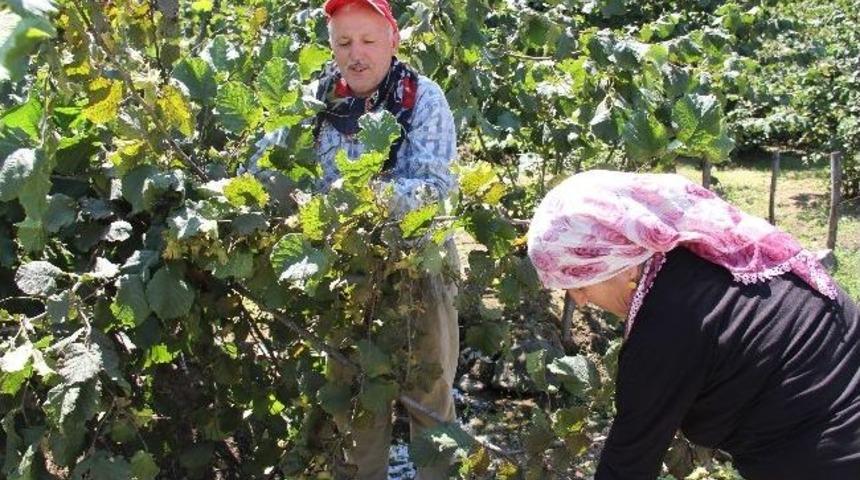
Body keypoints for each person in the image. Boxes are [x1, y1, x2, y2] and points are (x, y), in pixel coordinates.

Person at [526, 169, 860, 480]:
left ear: (621, 264)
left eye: (579, 283)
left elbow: (626, 467)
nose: (580, 300)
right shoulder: (714, 251)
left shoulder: (663, 329)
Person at [252, 0, 459, 477]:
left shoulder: (422, 98)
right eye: (344, 42)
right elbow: (263, 166)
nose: (356, 54)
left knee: (429, 398)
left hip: (419, 267)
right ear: (331, 47)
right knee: (355, 404)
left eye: (368, 40)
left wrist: (352, 197)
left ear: (393, 40)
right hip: (347, 277)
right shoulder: (315, 100)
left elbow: (433, 192)